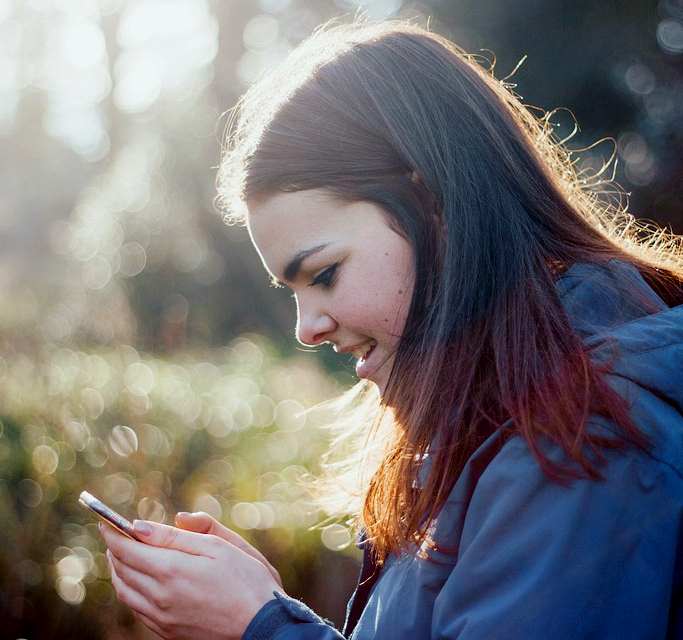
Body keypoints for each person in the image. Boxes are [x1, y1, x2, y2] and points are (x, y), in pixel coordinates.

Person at [99, 18, 683, 639]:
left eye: (323, 275)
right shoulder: (496, 417)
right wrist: (265, 609)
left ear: (433, 204)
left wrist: (260, 627)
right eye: (292, 291)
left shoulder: (585, 435)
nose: (307, 328)